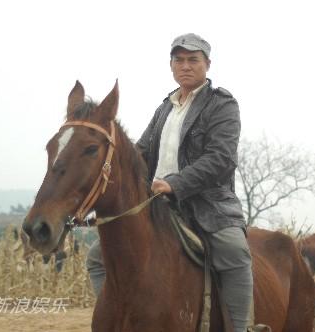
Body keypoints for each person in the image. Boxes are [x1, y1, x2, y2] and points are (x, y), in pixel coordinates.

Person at [87, 33, 257, 332]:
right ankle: (118, 317)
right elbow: (139, 155)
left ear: (207, 64)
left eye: (193, 59)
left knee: (234, 252)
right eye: (179, 60)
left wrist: (176, 183)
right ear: (171, 65)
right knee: (97, 257)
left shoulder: (222, 104)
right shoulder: (165, 107)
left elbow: (221, 158)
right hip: (158, 204)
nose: (185, 66)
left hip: (208, 205)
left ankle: (241, 328)